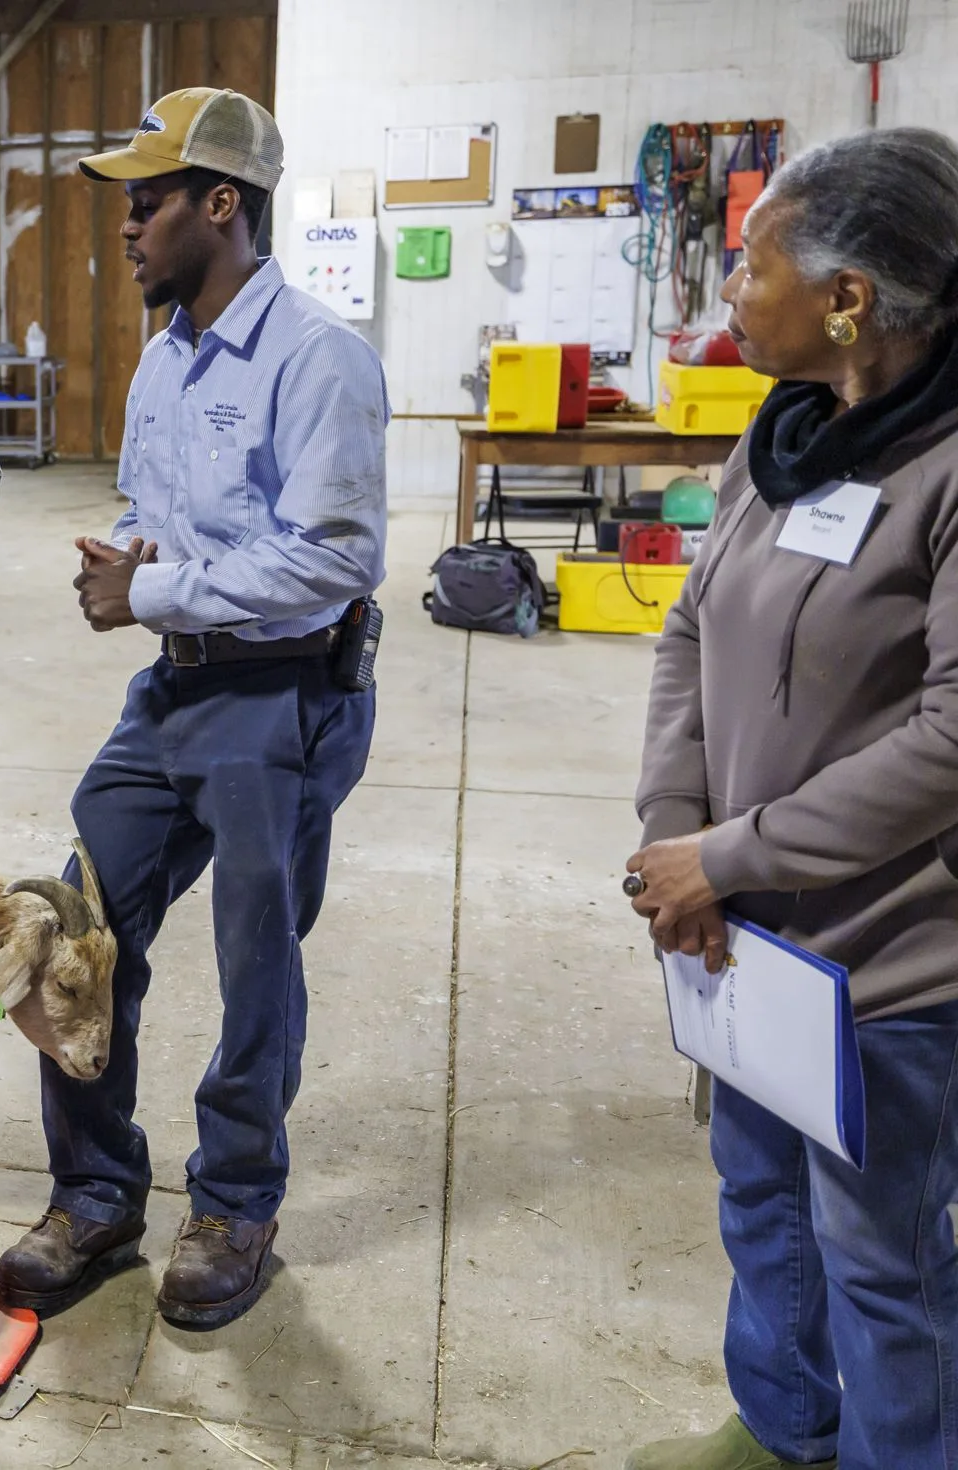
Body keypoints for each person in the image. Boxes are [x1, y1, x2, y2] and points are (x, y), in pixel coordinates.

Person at [0, 88, 388, 1331]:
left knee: (254, 957)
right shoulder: (165, 358)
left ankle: (234, 1201)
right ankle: (98, 1191)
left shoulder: (318, 359)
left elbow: (336, 557)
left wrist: (150, 583)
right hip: (173, 685)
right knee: (72, 926)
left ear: (223, 205)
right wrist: (122, 555)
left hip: (280, 695)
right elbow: (149, 506)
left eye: (147, 201)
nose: (127, 228)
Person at [625, 127, 958, 1470]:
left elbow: (951, 734)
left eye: (751, 260)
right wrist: (674, 837)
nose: (729, 294)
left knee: (882, 1261)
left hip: (889, 966)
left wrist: (737, 850)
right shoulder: (792, 445)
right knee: (757, 1194)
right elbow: (689, 634)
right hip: (740, 935)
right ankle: (781, 1423)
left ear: (848, 297)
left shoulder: (943, 469)